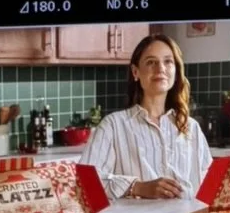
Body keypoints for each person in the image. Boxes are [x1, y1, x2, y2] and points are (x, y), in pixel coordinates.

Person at [83, 32, 213, 202]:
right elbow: (85, 181)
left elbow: (210, 185)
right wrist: (138, 187)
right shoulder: (113, 126)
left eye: (168, 61)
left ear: (176, 70)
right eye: (151, 62)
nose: (161, 69)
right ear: (136, 72)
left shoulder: (191, 127)